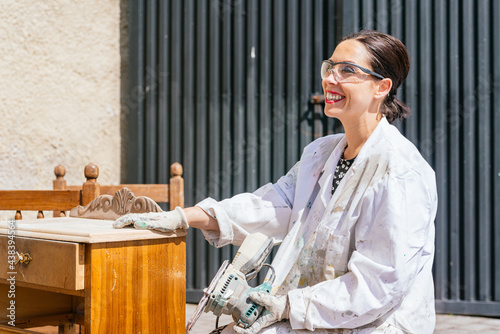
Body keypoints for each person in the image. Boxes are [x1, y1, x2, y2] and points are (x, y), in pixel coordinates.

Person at [114, 30, 438, 334]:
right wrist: (184, 216)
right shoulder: (321, 153)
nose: (329, 78)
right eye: (330, 67)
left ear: (381, 87)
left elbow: (377, 286)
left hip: (375, 325)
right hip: (310, 318)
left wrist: (288, 305)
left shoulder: (400, 174)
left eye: (347, 70)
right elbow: (273, 205)